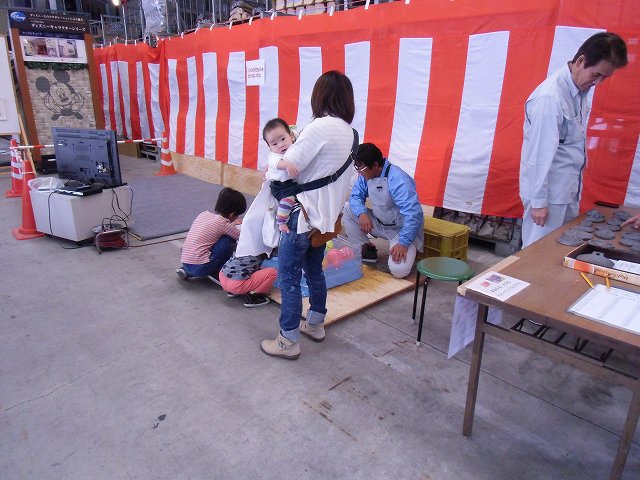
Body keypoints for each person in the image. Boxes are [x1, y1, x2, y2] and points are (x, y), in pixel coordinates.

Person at [260, 70, 356, 360]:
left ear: (319, 96)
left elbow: (284, 166)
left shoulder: (318, 127)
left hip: (300, 217)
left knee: (289, 277)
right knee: (314, 272)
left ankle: (287, 341)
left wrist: (269, 168)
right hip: (324, 221)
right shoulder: (351, 134)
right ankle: (315, 324)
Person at [519, 32, 628, 247]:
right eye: (596, 74)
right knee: (536, 252)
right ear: (580, 61)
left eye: (604, 78)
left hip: (566, 190)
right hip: (549, 195)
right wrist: (539, 202)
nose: (598, 82)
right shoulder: (550, 98)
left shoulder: (578, 91)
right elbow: (539, 155)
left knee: (558, 249)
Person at [342, 143, 424, 279]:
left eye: (362, 168)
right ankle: (366, 249)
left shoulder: (397, 178)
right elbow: (355, 196)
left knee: (399, 271)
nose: (360, 173)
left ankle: (407, 247)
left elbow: (413, 213)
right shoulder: (365, 176)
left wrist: (403, 243)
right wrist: (362, 214)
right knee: (348, 208)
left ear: (375, 164)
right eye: (358, 168)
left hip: (400, 230)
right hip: (380, 223)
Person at [176, 187, 247, 281]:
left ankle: (187, 271)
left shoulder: (204, 214)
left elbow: (221, 226)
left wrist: (232, 224)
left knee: (211, 240)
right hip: (201, 267)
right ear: (232, 214)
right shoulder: (223, 224)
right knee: (228, 239)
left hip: (186, 262)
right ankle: (220, 270)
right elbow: (242, 237)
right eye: (237, 215)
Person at [262, 118, 298, 233]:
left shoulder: (295, 145)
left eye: (283, 139)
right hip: (280, 186)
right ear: (270, 147)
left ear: (291, 136)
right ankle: (281, 221)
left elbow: (297, 132)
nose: (281, 145)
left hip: (288, 183)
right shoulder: (273, 156)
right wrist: (286, 165)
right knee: (288, 199)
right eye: (274, 144)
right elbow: (276, 163)